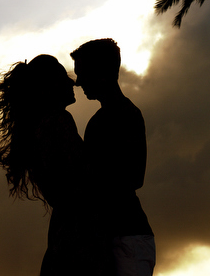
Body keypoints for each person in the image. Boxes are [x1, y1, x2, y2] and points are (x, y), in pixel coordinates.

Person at [0, 54, 113, 276]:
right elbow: (82, 180)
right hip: (81, 235)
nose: (72, 83)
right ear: (48, 87)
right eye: (62, 78)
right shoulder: (57, 122)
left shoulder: (39, 127)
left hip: (66, 231)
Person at [71, 39, 155, 276]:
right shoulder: (99, 120)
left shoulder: (125, 114)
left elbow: (134, 177)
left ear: (101, 73)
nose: (78, 82)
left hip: (128, 235)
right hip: (113, 235)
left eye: (82, 73)